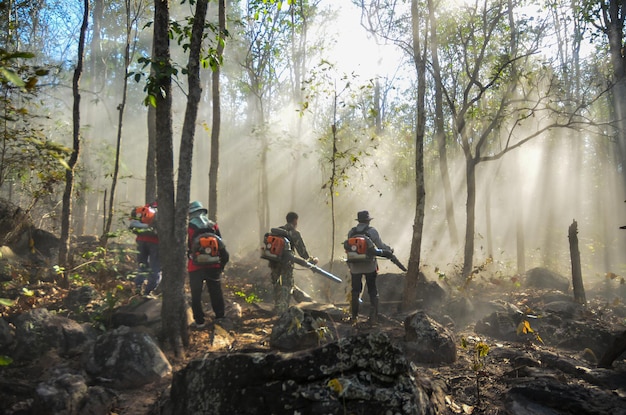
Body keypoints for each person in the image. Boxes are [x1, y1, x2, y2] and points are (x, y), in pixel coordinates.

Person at [187, 201, 229, 329]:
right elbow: (221, 247)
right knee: (215, 292)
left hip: (195, 266)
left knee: (196, 294)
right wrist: (221, 265)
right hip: (213, 265)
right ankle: (220, 317)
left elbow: (187, 246)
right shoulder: (213, 226)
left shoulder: (188, 227)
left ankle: (199, 321)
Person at [347, 210, 393, 324]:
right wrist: (389, 250)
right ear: (368, 221)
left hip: (355, 266)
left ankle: (354, 317)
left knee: (355, 291)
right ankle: (373, 317)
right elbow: (380, 246)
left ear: (358, 221)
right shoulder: (372, 231)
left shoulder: (351, 232)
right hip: (369, 266)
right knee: (372, 290)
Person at [268, 212, 318, 314]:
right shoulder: (294, 233)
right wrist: (311, 261)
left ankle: (277, 307)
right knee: (287, 286)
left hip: (274, 262)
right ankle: (283, 310)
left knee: (277, 283)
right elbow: (302, 252)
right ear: (295, 220)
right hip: (287, 263)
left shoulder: (278, 231)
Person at [129, 201, 161, 296]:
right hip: (156, 242)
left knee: (142, 266)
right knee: (155, 268)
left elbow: (133, 223)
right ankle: (148, 292)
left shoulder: (144, 208)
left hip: (141, 241)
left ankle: (138, 289)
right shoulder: (166, 210)